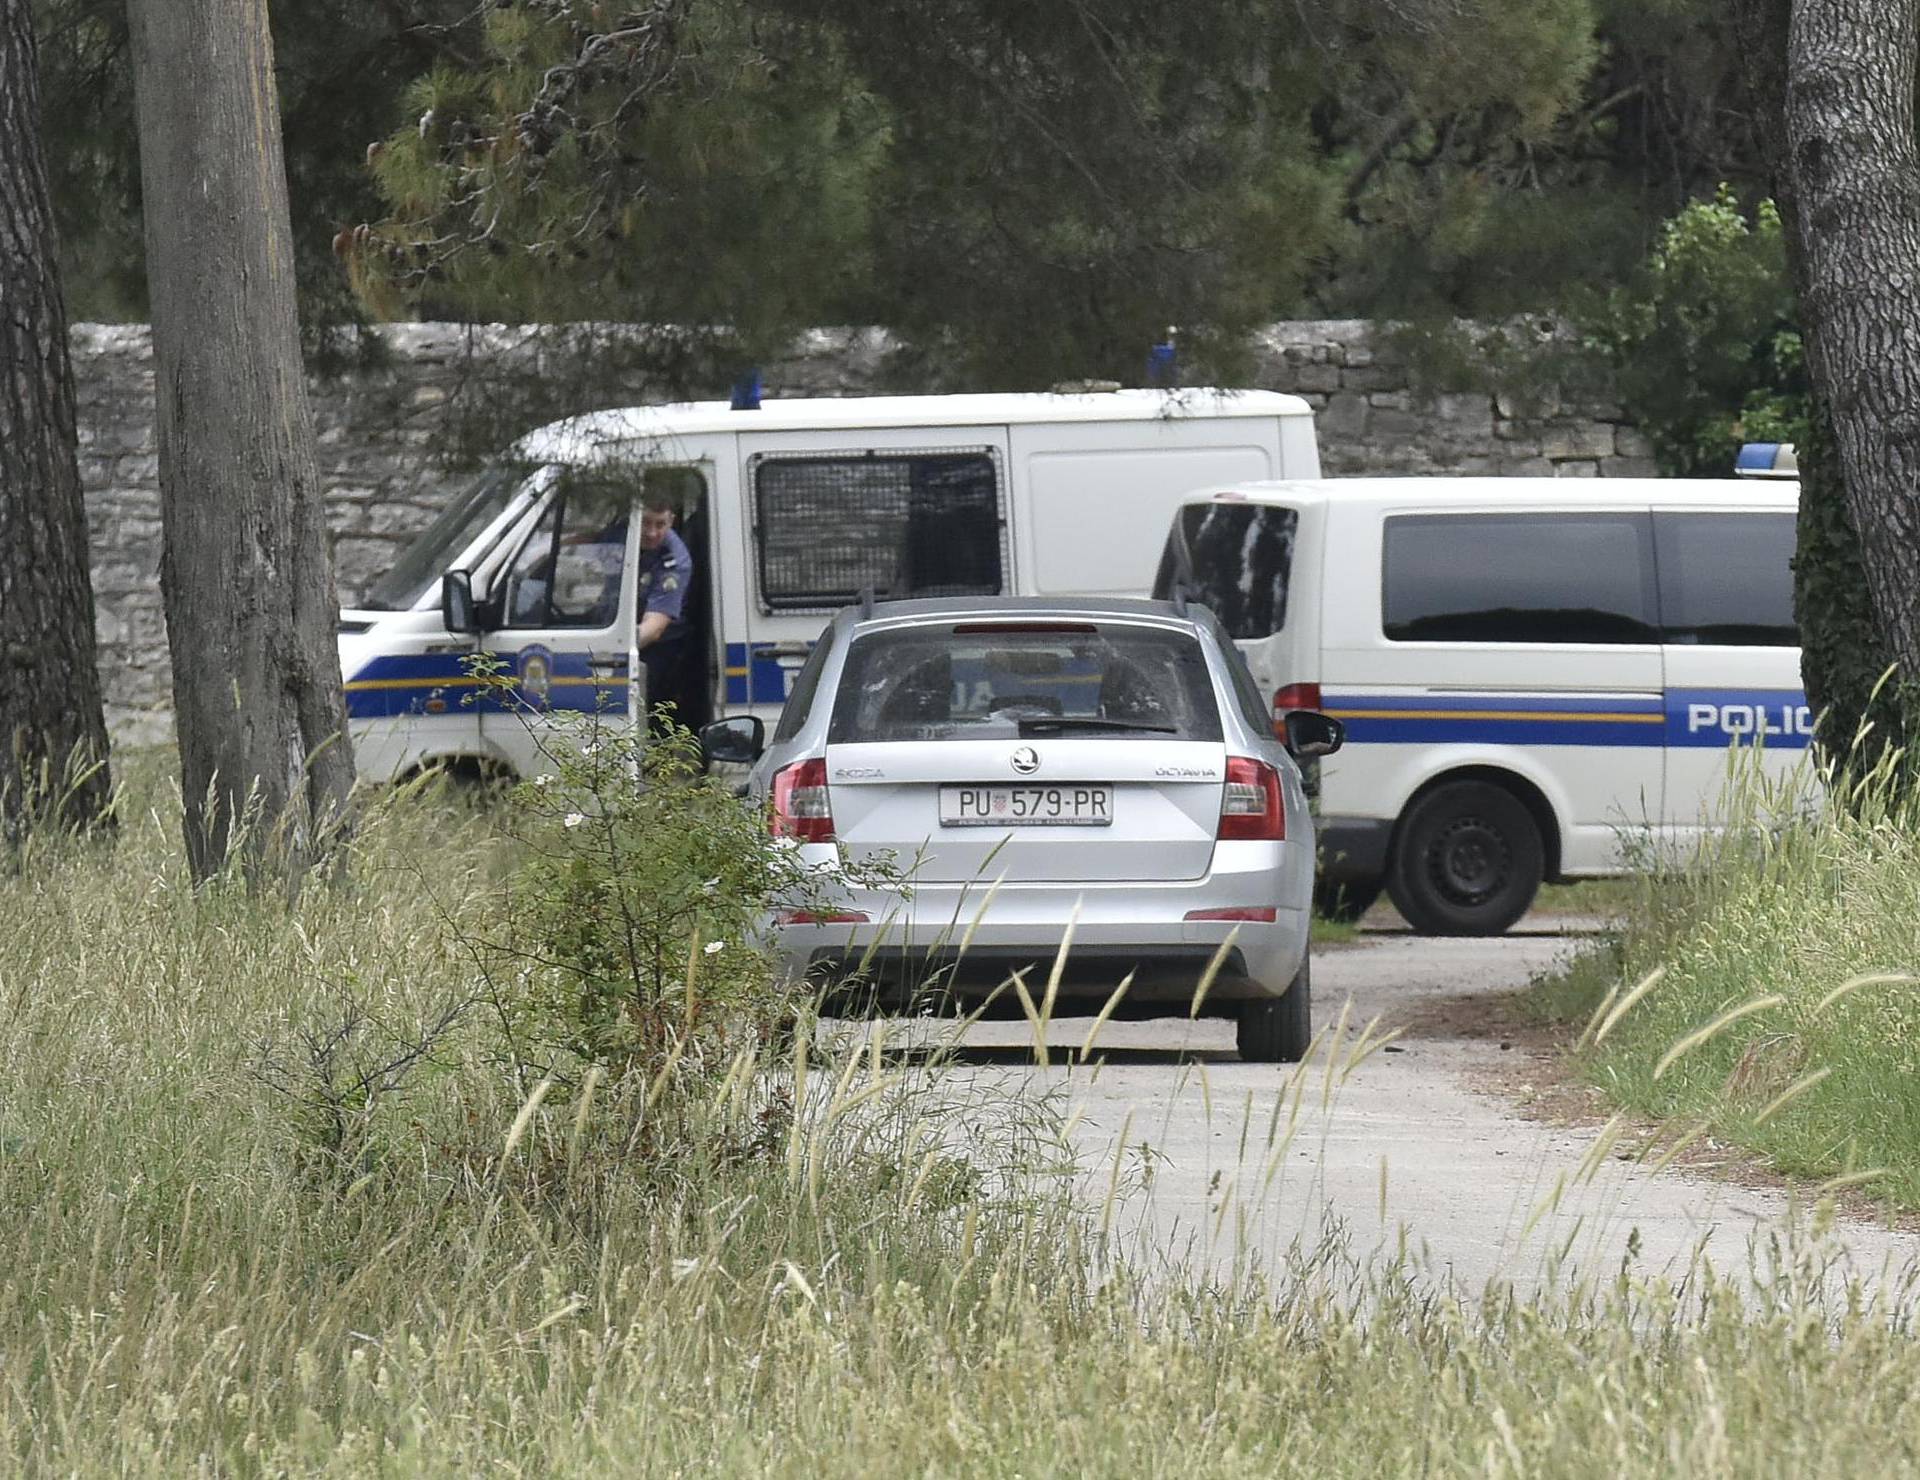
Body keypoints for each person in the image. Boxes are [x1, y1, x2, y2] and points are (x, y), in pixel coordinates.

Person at [634, 496, 695, 727]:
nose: (651, 533)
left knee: (652, 713)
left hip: (660, 646)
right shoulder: (624, 532)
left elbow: (653, 628)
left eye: (660, 525)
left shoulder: (675, 561)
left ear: (671, 521)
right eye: (645, 523)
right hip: (631, 625)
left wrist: (611, 647)